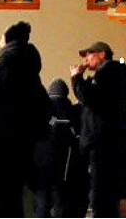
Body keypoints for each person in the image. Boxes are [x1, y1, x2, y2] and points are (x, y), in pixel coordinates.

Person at [0, 21, 52, 218]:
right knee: (15, 196)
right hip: (25, 142)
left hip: (3, 138)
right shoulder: (30, 67)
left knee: (2, 195)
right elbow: (44, 106)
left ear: (8, 39)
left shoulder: (7, 59)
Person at [71, 40, 126, 217]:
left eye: (89, 54)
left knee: (101, 201)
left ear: (102, 54)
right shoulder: (112, 75)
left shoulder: (107, 73)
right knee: (107, 202)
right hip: (109, 146)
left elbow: (90, 98)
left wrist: (76, 77)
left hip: (103, 147)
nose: (86, 59)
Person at [33, 78, 87, 218]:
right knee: (61, 206)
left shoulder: (38, 112)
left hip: (41, 169)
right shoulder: (75, 112)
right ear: (66, 93)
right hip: (66, 171)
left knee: (41, 206)